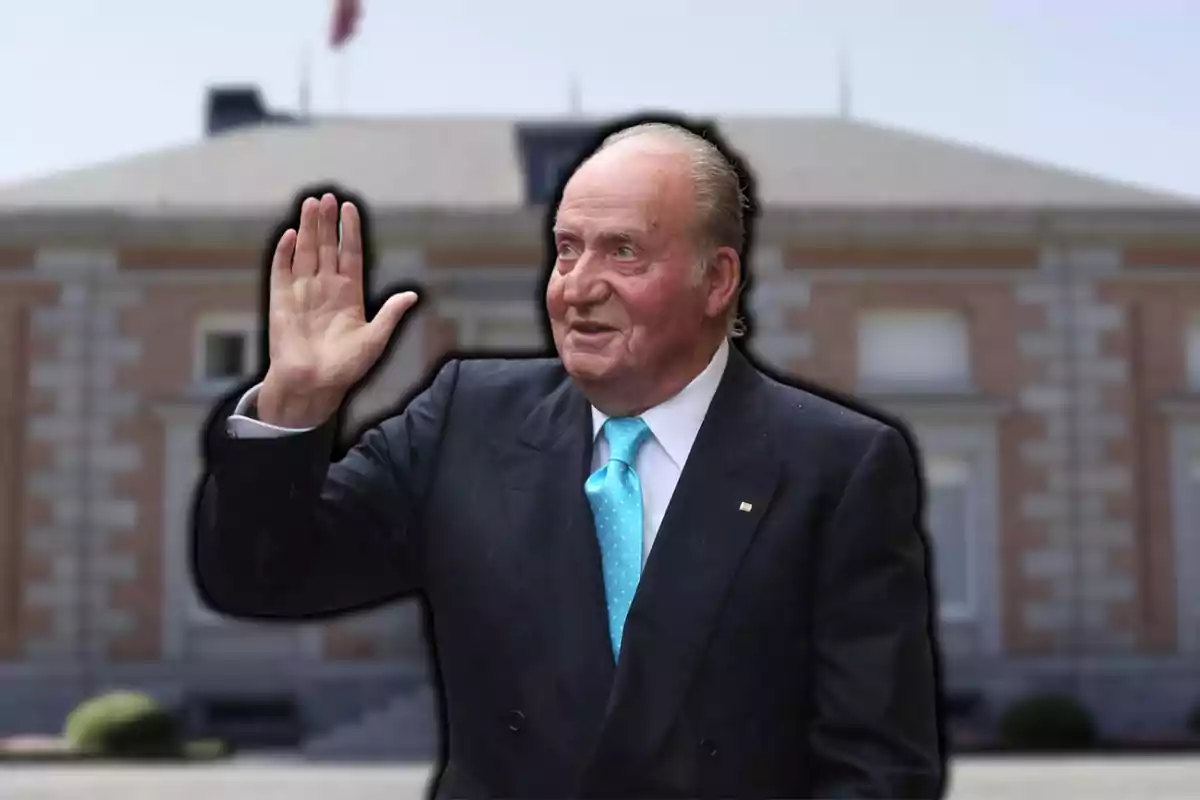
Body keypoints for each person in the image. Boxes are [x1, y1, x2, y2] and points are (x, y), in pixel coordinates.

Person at [192, 121, 945, 799]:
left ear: (716, 280)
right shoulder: (465, 419)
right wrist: (293, 409)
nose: (578, 287)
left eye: (623, 251)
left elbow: (878, 772)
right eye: (566, 249)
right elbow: (262, 577)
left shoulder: (838, 467)